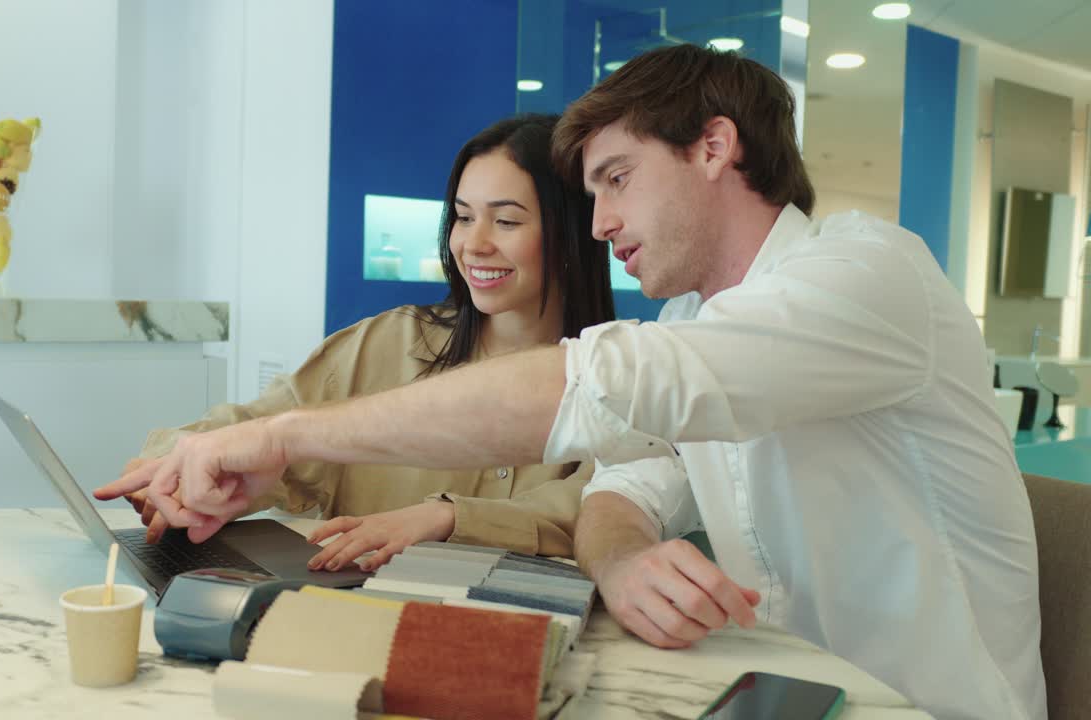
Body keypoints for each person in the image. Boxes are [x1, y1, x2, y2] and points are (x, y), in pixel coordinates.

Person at [98, 46, 1044, 720]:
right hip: (778, 691)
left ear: (715, 148)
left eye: (618, 180)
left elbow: (596, 391)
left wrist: (285, 436)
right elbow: (623, 489)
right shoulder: (692, 322)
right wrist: (625, 558)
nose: (599, 225)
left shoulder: (866, 274)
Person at [95, 113, 614, 571]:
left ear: (572, 233)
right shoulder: (391, 341)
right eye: (461, 216)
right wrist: (170, 465)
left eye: (505, 221)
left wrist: (447, 517)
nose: (473, 244)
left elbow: (599, 509)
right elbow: (266, 422)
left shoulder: (618, 378)